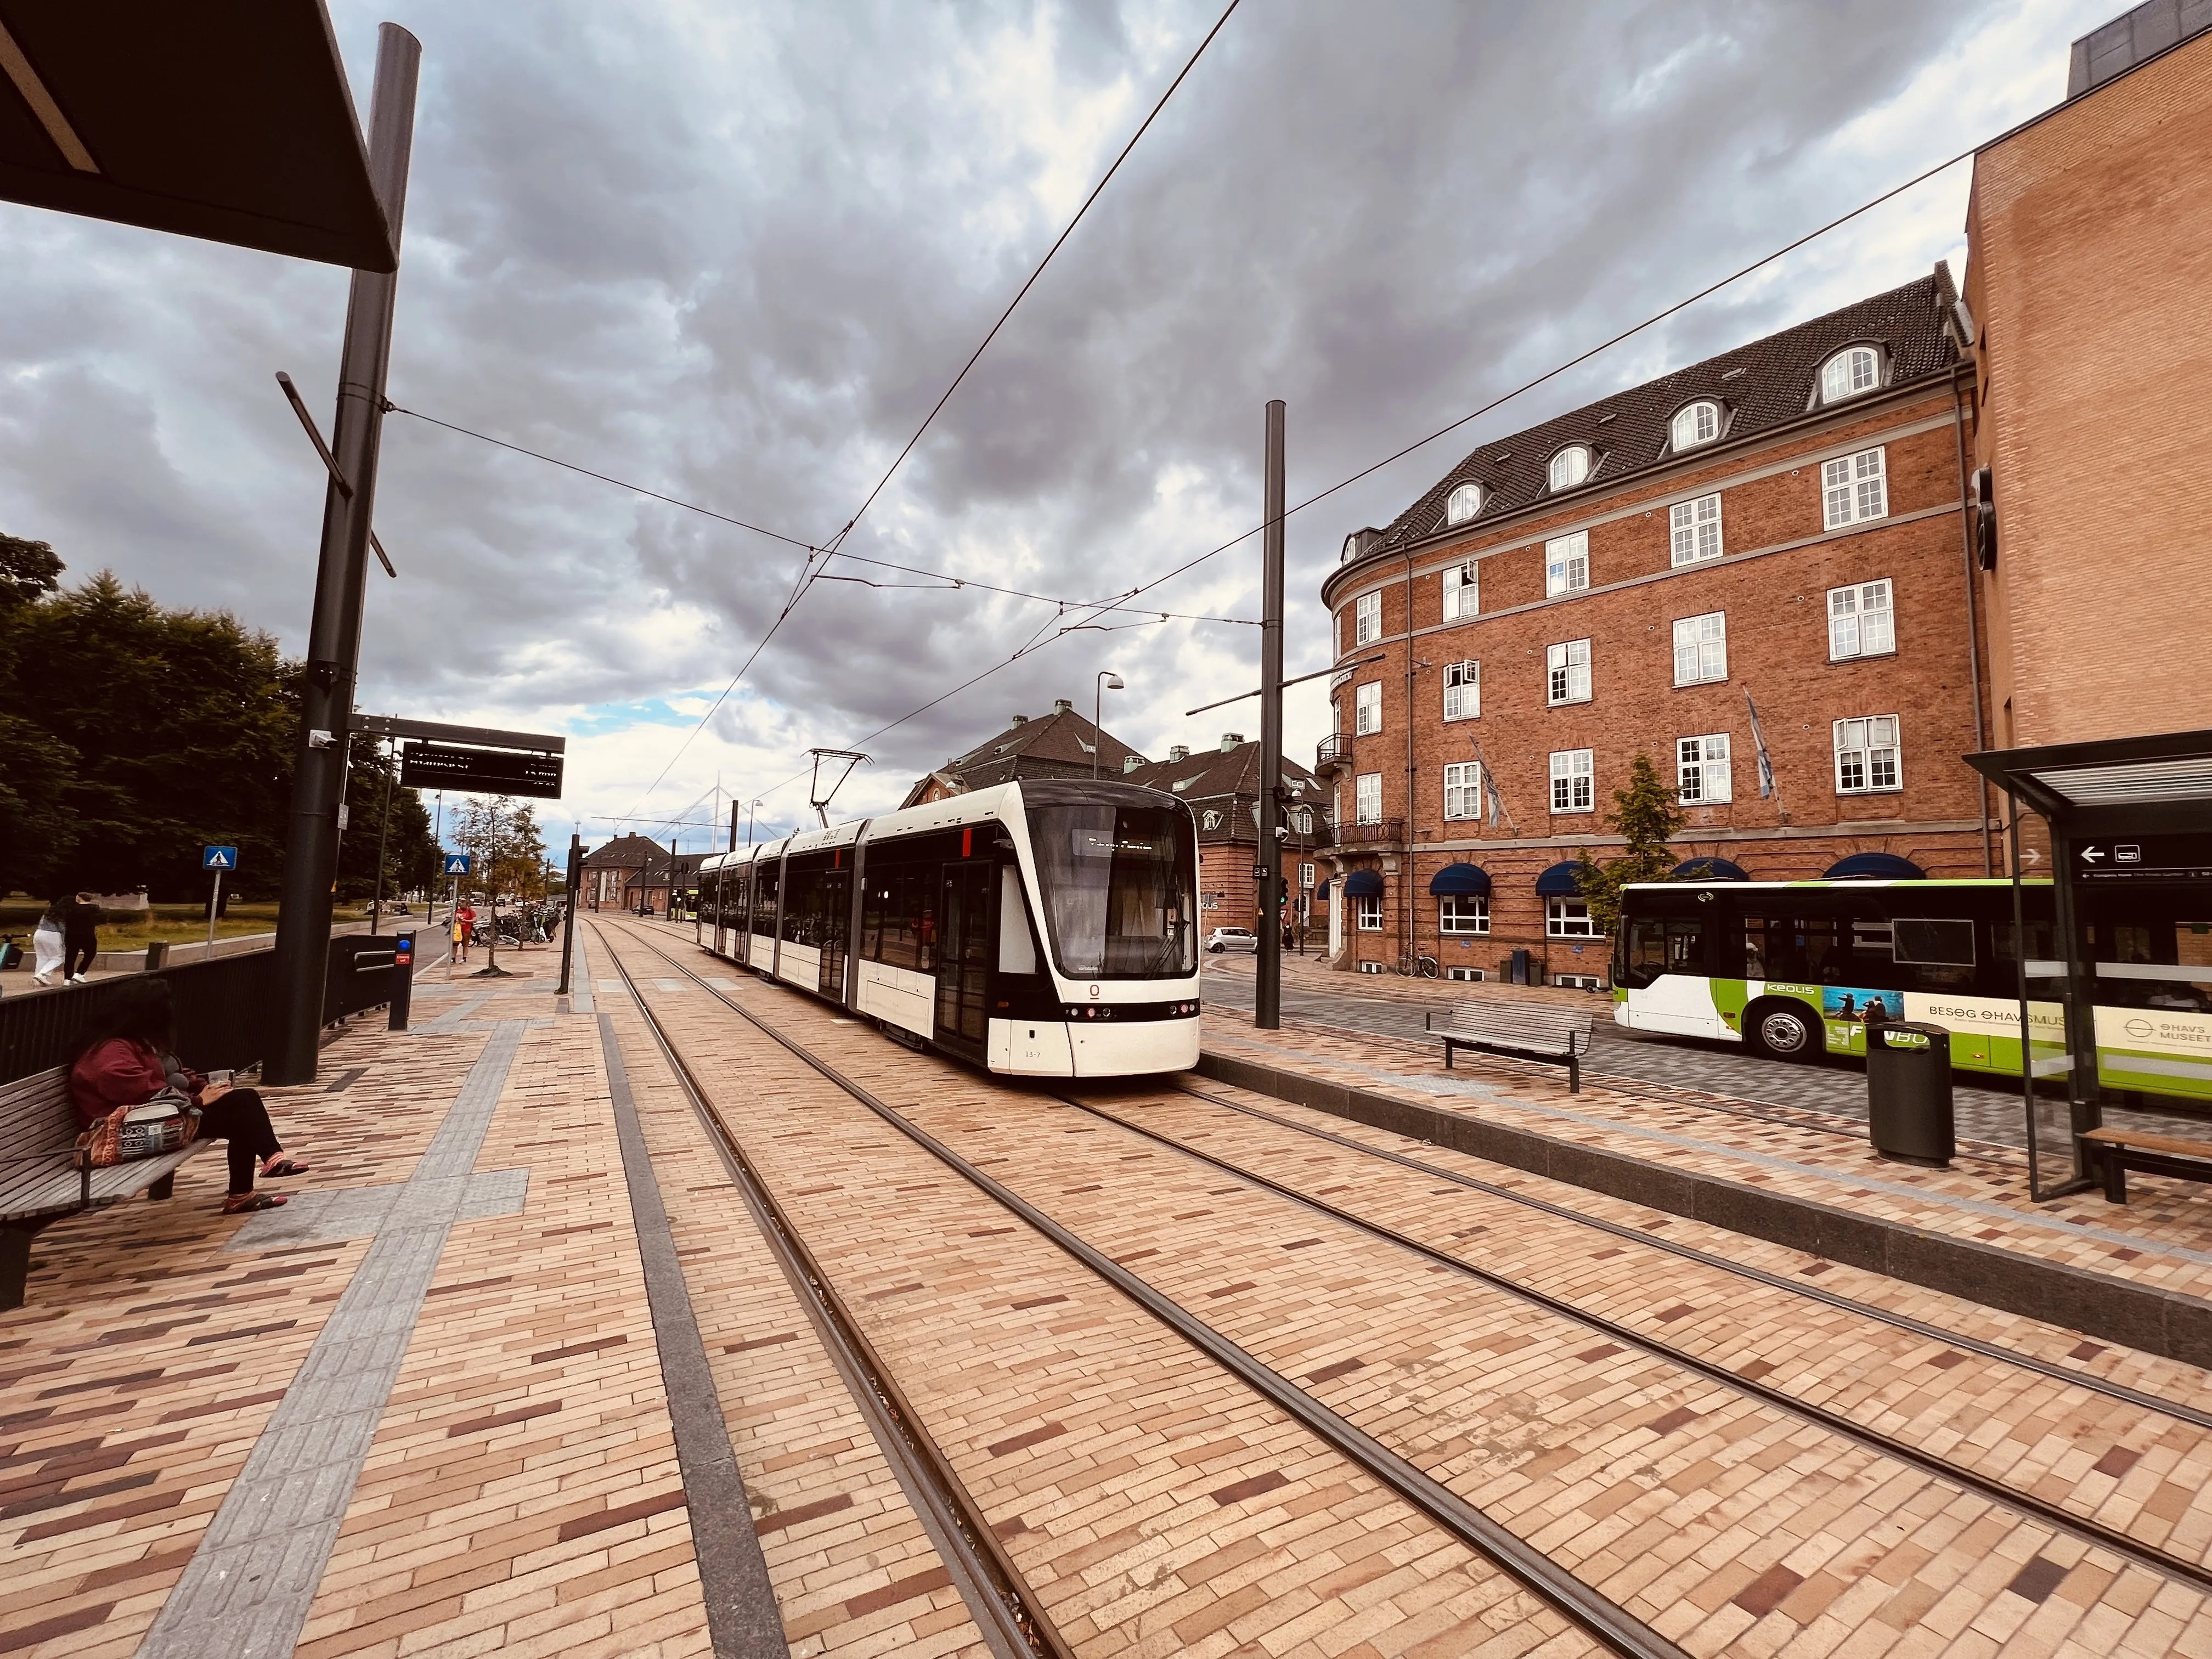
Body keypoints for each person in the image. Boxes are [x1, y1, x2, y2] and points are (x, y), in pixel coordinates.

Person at [69, 979, 307, 1214]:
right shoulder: (111, 1051)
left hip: (151, 1121)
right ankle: (257, 1177)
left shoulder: (135, 1042)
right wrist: (197, 1101)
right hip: (123, 1132)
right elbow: (139, 1091)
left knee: (243, 1101)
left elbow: (173, 1075)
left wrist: (209, 1088)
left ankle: (269, 1164)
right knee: (242, 1116)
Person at [63, 891, 100, 985]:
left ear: (80, 898)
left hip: (72, 935)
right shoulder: (94, 909)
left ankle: (67, 979)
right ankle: (80, 973)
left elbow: (66, 921)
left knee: (70, 957)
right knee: (90, 953)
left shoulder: (72, 909)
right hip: (87, 935)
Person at [30, 896, 66, 987]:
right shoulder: (61, 915)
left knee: (42, 957)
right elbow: (62, 929)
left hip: (39, 933)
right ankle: (42, 975)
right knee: (58, 958)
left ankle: (38, 977)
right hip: (53, 935)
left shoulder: (47, 914)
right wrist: (64, 942)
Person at [453, 900, 476, 964]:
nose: (461, 906)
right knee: (455, 945)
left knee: (465, 945)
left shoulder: (470, 911)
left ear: (467, 905)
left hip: (466, 930)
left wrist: (465, 921)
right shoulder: (457, 911)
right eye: (461, 904)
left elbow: (475, 920)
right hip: (457, 930)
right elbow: (454, 919)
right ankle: (453, 958)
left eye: (463, 904)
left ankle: (464, 958)